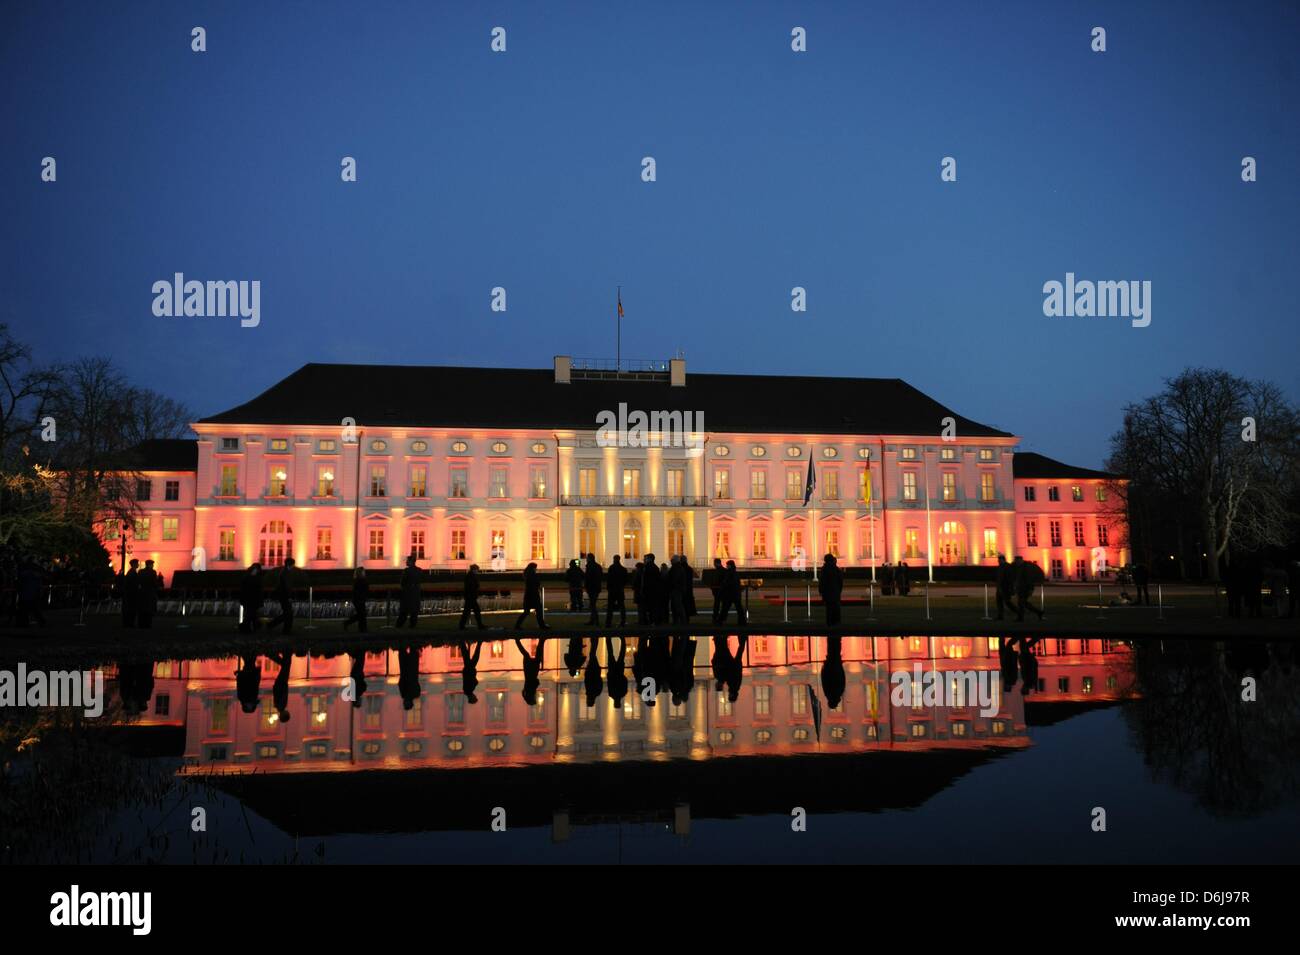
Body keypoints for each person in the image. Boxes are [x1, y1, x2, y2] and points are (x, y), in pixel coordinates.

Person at [266, 557, 298, 633]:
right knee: (288, 613)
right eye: (293, 564)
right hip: (285, 596)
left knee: (288, 613)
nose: (293, 566)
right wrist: (289, 596)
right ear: (290, 565)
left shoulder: (284, 572)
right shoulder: (286, 573)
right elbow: (287, 586)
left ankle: (284, 629)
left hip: (283, 596)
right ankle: (282, 628)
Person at [515, 562, 549, 629]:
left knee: (527, 612)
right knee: (538, 611)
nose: (536, 569)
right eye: (535, 568)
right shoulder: (532, 575)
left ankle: (517, 625)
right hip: (533, 595)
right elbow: (536, 583)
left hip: (528, 595)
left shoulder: (527, 574)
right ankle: (541, 625)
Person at [1012, 556, 1045, 621]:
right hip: (1020, 588)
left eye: (1016, 561)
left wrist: (1030, 589)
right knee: (1023, 603)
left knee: (1021, 603)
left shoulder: (1026, 568)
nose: (1016, 562)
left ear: (1020, 560)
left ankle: (1021, 618)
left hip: (1025, 589)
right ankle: (1039, 612)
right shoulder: (1019, 568)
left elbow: (1029, 579)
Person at [16, 558, 46, 628]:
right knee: (32, 609)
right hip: (31, 594)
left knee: (26, 609)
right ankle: (38, 621)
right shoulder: (36, 575)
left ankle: (24, 622)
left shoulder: (24, 574)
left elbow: (19, 584)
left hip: (26, 594)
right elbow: (39, 584)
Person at [396, 554, 423, 628]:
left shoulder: (406, 571)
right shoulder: (419, 570)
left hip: (407, 592)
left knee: (404, 610)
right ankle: (412, 625)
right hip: (416, 592)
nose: (406, 562)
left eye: (407, 561)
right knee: (414, 610)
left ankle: (399, 625)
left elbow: (403, 582)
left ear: (411, 561)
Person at [716, 559, 746, 625]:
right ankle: (742, 621)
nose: (726, 566)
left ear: (730, 566)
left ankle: (720, 621)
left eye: (727, 565)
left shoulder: (729, 573)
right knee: (739, 609)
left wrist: (722, 589)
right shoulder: (735, 573)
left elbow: (726, 583)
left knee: (725, 608)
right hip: (735, 594)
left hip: (730, 594)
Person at [459, 563, 486, 630]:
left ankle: (462, 626)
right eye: (477, 570)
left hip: (470, 597)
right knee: (474, 611)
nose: (477, 571)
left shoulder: (469, 576)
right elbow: (472, 586)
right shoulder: (471, 576)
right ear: (474, 570)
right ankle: (479, 625)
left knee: (468, 612)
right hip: (471, 597)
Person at [818, 553, 843, 625]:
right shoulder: (837, 569)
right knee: (836, 608)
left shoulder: (824, 569)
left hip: (827, 592)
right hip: (835, 591)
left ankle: (829, 622)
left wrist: (821, 590)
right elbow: (840, 581)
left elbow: (822, 581)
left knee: (829, 608)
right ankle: (836, 622)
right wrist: (839, 590)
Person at [238, 562, 263, 633]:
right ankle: (248, 627)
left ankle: (249, 627)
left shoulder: (247, 578)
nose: (256, 571)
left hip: (249, 600)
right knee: (251, 615)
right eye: (255, 570)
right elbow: (257, 590)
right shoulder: (253, 579)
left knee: (251, 614)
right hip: (251, 600)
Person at [343, 566, 368, 632]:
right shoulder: (360, 581)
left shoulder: (358, 580)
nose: (364, 572)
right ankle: (362, 628)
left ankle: (361, 628)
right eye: (363, 571)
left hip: (358, 599)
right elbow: (360, 590)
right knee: (362, 614)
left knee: (361, 614)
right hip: (359, 599)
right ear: (361, 573)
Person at [136, 559, 159, 629]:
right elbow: (154, 583)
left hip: (142, 593)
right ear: (150, 565)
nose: (153, 566)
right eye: (152, 564)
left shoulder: (140, 571)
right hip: (150, 593)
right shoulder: (153, 572)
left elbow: (138, 581)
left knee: (142, 609)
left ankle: (141, 624)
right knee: (149, 610)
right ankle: (148, 624)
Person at [605, 554, 628, 626]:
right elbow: (625, 580)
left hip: (612, 590)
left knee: (610, 607)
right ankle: (623, 621)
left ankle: (608, 622)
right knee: (621, 606)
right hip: (619, 590)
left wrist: (608, 588)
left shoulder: (611, 568)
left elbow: (609, 579)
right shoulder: (623, 569)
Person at [584, 553, 603, 625]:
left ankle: (595, 620)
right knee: (592, 604)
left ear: (589, 558)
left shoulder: (590, 566)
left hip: (592, 588)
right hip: (596, 587)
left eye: (587, 558)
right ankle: (593, 620)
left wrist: (586, 586)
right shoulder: (598, 566)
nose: (586, 559)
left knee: (592, 605)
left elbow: (588, 577)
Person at [995, 554, 1016, 620]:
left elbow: (1010, 579)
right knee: (999, 603)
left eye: (999, 560)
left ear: (1003, 560)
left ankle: (1019, 612)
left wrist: (1010, 589)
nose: (998, 561)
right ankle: (1000, 616)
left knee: (1008, 603)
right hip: (1000, 588)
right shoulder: (1000, 567)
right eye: (998, 560)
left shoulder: (1008, 567)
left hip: (1005, 588)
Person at [120, 558, 140, 627]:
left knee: (130, 609)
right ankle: (130, 623)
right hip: (131, 594)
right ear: (134, 564)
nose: (138, 564)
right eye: (137, 563)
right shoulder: (132, 573)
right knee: (131, 609)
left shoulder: (130, 572)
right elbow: (133, 584)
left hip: (130, 594)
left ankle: (129, 623)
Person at [708, 558, 725, 622]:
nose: (714, 564)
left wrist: (713, 587)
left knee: (717, 605)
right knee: (721, 605)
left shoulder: (717, 571)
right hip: (720, 590)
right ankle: (720, 618)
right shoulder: (723, 570)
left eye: (714, 563)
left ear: (716, 563)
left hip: (718, 590)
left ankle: (716, 617)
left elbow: (715, 581)